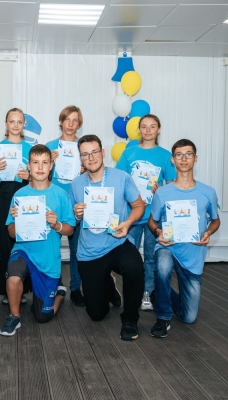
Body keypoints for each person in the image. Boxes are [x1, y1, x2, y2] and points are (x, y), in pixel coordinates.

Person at [69, 134, 146, 341]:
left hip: (117, 242)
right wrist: (76, 215)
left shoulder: (121, 177)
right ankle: (109, 286)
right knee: (96, 314)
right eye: (85, 154)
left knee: (135, 267)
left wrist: (127, 223)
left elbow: (138, 206)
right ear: (80, 158)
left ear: (102, 153)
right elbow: (71, 221)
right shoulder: (76, 184)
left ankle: (130, 319)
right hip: (90, 251)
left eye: (94, 152)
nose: (91, 157)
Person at [0, 145, 76, 336]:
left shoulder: (61, 195)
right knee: (13, 273)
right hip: (24, 250)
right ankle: (14, 316)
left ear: (51, 166)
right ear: (29, 166)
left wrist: (56, 224)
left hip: (48, 259)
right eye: (35, 162)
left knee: (43, 316)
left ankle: (59, 292)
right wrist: (16, 221)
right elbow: (11, 232)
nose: (40, 167)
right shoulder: (20, 195)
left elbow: (70, 229)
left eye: (44, 163)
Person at [148, 138, 220, 338]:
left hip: (193, 254)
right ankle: (163, 317)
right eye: (179, 155)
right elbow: (152, 221)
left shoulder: (208, 192)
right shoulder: (162, 193)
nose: (184, 158)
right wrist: (158, 232)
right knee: (163, 265)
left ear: (195, 158)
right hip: (168, 246)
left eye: (188, 154)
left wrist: (208, 232)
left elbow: (215, 221)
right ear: (173, 160)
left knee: (189, 317)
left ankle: (159, 293)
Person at [115, 114, 176, 311]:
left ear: (159, 130)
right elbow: (119, 180)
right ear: (139, 130)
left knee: (150, 256)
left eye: (152, 126)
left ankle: (147, 292)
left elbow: (172, 186)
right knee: (129, 257)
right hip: (132, 214)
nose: (148, 130)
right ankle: (131, 292)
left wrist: (161, 190)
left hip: (153, 215)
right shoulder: (129, 153)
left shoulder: (165, 155)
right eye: (144, 126)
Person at [0, 108, 32, 301]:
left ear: (24, 125)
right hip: (4, 195)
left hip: (24, 194)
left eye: (19, 122)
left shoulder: (30, 148)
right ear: (6, 123)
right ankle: (7, 290)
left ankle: (21, 287)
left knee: (22, 239)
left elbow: (37, 179)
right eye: (12, 121)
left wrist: (29, 176)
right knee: (4, 240)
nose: (15, 125)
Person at [45, 105, 86, 307]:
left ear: (79, 124)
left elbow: (93, 175)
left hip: (76, 202)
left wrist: (86, 169)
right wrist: (49, 163)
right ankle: (56, 284)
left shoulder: (83, 147)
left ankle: (76, 288)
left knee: (76, 248)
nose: (70, 124)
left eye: (75, 120)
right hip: (54, 202)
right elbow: (40, 175)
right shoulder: (50, 146)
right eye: (67, 119)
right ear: (61, 121)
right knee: (52, 247)